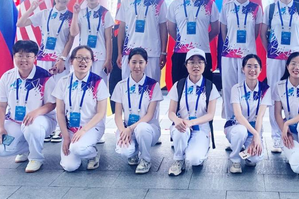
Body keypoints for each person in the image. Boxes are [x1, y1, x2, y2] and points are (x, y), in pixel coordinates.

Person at [261, 0, 299, 153]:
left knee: (296, 93)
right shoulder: (271, 9)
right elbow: (263, 32)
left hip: (294, 58)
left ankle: (296, 130)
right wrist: (270, 50)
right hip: (275, 58)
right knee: (275, 94)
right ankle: (276, 136)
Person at [0, 40, 57, 173]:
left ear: (35, 57)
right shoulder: (7, 77)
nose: (24, 59)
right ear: (14, 56)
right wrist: (0, 128)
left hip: (41, 120)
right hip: (15, 120)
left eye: (28, 56)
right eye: (20, 55)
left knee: (32, 126)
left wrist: (36, 112)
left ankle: (36, 158)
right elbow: (0, 106)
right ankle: (28, 147)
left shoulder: (45, 77)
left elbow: (52, 103)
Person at [52, 45, 109, 172]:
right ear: (71, 61)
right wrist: (66, 136)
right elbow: (60, 112)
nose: (83, 61)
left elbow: (100, 113)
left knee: (77, 148)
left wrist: (83, 131)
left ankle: (93, 153)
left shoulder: (98, 82)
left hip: (91, 127)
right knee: (69, 167)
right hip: (70, 128)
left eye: (87, 58)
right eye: (79, 58)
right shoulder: (63, 82)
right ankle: (79, 148)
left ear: (92, 62)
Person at [167, 48, 220, 176]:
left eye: (200, 62)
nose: (196, 65)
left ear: (205, 65)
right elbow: (171, 112)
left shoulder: (210, 86)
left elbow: (210, 115)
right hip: (182, 125)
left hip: (200, 128)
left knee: (195, 160)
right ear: (186, 65)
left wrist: (192, 122)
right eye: (192, 62)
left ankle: (201, 147)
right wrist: (177, 120)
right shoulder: (179, 85)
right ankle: (179, 160)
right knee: (181, 132)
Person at [112, 48, 163, 174]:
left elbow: (149, 115)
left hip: (148, 129)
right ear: (128, 63)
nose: (137, 66)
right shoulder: (121, 86)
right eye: (134, 62)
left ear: (146, 63)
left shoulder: (153, 85)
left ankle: (145, 159)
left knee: (141, 128)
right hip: (127, 127)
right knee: (124, 151)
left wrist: (130, 129)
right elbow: (117, 115)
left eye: (141, 62)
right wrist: (123, 130)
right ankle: (133, 153)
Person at [220, 0, 263, 120]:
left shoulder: (256, 8)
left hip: (248, 55)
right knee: (229, 88)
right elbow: (224, 31)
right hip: (229, 54)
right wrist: (232, 46)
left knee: (247, 88)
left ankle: (247, 121)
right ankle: (230, 122)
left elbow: (256, 32)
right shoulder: (226, 7)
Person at [167, 0, 219, 84]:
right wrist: (183, 41)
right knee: (179, 87)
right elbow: (171, 28)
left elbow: (215, 29)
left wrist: (202, 39)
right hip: (181, 53)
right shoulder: (175, 4)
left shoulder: (210, 4)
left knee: (204, 88)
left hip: (203, 51)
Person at [116, 0, 168, 82]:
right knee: (128, 87)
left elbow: (163, 28)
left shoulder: (159, 2)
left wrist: (163, 52)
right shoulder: (127, 2)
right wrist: (119, 53)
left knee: (151, 87)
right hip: (129, 52)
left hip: (152, 53)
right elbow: (121, 28)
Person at [17, 0, 74, 81]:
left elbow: (70, 40)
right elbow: (20, 23)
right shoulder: (44, 13)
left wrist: (63, 59)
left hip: (60, 59)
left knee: (60, 87)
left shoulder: (71, 17)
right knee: (43, 86)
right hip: (43, 58)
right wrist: (31, 9)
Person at [224, 54, 271, 174]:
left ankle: (245, 152)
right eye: (249, 66)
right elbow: (238, 116)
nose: (252, 70)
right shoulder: (236, 88)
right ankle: (235, 160)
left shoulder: (266, 89)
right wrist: (255, 134)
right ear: (243, 69)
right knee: (241, 131)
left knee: (256, 157)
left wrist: (256, 137)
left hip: (254, 127)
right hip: (236, 126)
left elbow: (260, 116)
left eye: (256, 66)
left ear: (261, 69)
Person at [273, 52, 299, 176]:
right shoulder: (279, 86)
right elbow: (277, 113)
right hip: (288, 131)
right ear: (287, 66)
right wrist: (285, 130)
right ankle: (298, 156)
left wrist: (287, 123)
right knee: (295, 159)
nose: (297, 67)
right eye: (293, 64)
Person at [70, 0, 115, 84]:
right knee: (83, 84)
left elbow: (108, 39)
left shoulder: (105, 13)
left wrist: (108, 59)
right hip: (83, 56)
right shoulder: (80, 13)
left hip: (100, 57)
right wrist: (75, 14)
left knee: (98, 85)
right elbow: (73, 33)